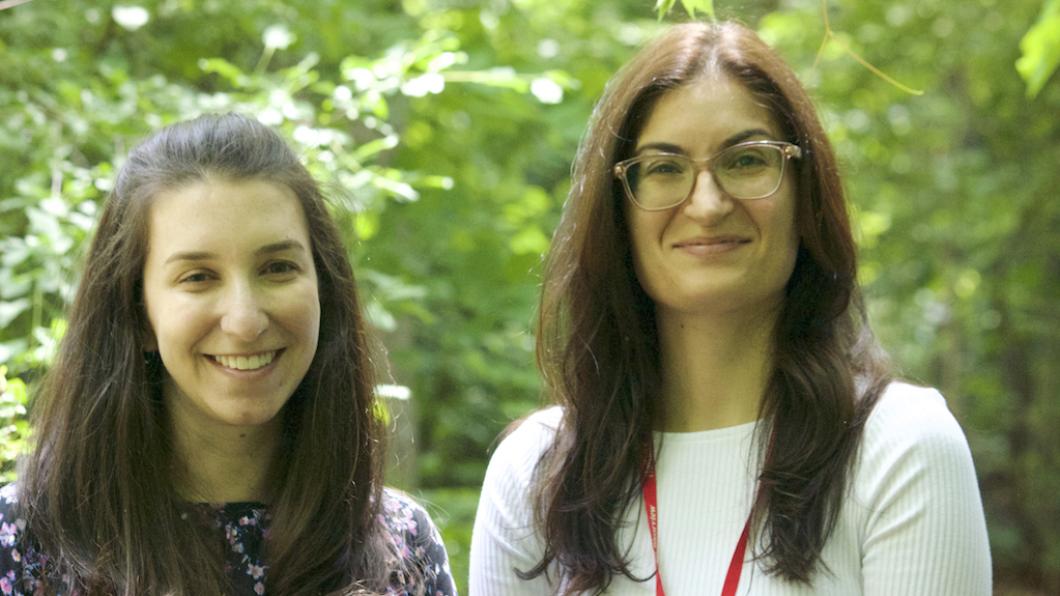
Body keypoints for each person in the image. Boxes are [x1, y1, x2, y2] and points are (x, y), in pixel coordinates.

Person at [470, 21, 991, 595]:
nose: (709, 203)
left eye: (746, 161)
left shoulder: (899, 448)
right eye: (665, 168)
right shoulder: (537, 473)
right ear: (617, 214)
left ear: (804, 193)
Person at [0, 114, 456, 595]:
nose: (245, 320)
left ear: (324, 287)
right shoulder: (28, 545)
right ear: (137, 313)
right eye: (198, 277)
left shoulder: (401, 546)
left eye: (278, 268)